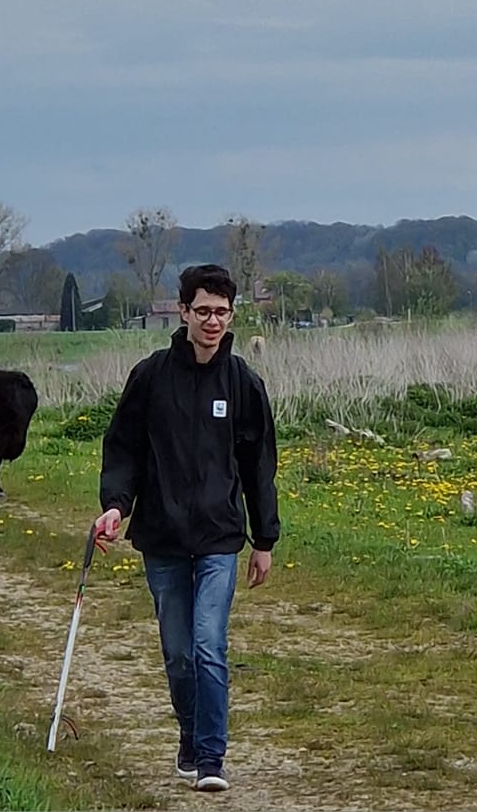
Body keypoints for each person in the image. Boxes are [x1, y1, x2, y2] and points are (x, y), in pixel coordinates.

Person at [95, 263, 279, 794]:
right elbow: (123, 449)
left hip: (220, 537)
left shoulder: (243, 383)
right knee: (177, 652)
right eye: (203, 311)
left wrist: (263, 540)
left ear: (231, 315)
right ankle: (190, 734)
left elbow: (258, 466)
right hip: (162, 537)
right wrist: (115, 506)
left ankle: (211, 757)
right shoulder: (150, 377)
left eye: (222, 312)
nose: (212, 321)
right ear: (182, 312)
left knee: (207, 644)